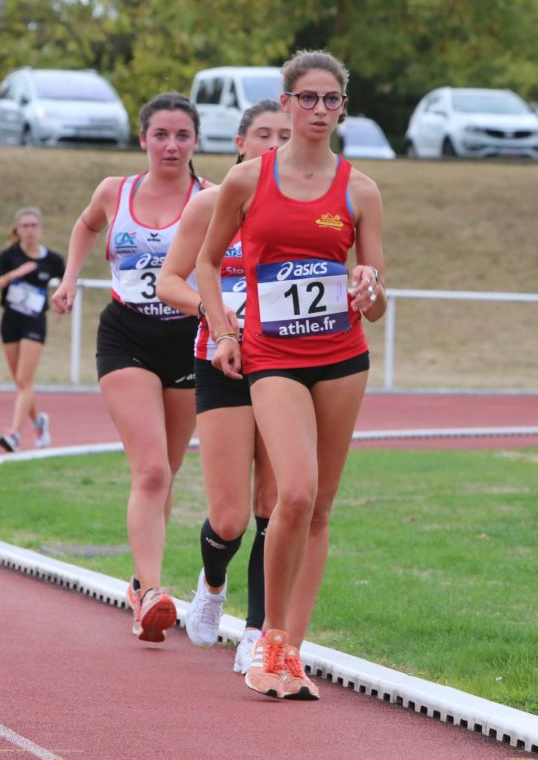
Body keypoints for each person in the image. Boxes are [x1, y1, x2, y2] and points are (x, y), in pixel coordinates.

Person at [195, 51, 387, 700]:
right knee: (293, 496)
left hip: (342, 355)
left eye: (331, 99)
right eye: (307, 98)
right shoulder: (249, 181)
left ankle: (293, 652)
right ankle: (269, 638)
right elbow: (206, 263)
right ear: (285, 102)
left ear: (343, 107)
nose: (318, 111)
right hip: (271, 355)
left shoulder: (360, 189)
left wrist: (370, 289)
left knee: (322, 507)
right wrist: (224, 332)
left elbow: (379, 289)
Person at [52, 93, 206, 643]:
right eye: (161, 134)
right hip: (126, 334)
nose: (171, 145)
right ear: (142, 139)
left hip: (189, 337)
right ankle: (153, 594)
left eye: (182, 135)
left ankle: (142, 583)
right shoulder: (114, 191)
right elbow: (85, 225)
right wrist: (70, 277)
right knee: (152, 471)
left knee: (168, 470)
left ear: (195, 142)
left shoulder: (209, 199)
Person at [156, 100, 290, 672]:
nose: (274, 145)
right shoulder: (210, 205)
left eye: (283, 136)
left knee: (273, 506)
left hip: (287, 365)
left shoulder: (304, 214)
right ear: (240, 143)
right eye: (263, 134)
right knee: (231, 515)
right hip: (220, 362)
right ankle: (212, 586)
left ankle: (258, 631)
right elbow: (169, 282)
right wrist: (219, 316)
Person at [0, 207, 66, 453]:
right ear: (17, 230)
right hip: (10, 322)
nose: (29, 230)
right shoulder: (8, 257)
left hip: (34, 322)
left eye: (33, 225)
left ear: (40, 229)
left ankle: (15, 434)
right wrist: (14, 275)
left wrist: (61, 302)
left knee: (23, 380)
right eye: (25, 226)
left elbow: (66, 281)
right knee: (21, 384)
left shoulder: (53, 259)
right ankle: (39, 422)